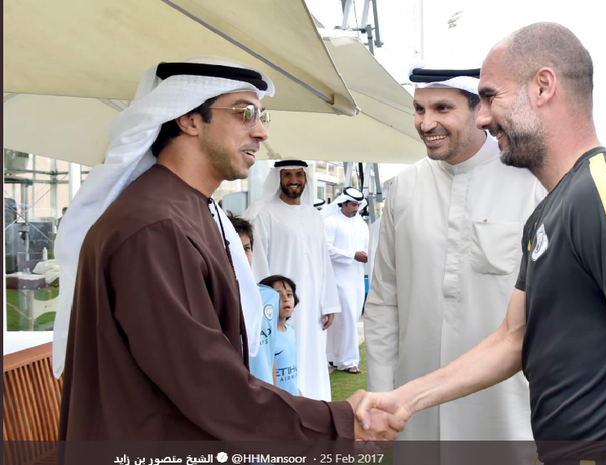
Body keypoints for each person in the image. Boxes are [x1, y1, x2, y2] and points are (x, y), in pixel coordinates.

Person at [356, 23, 606, 462]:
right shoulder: (552, 206)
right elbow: (512, 338)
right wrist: (405, 399)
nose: (482, 117)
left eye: (491, 98)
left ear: (543, 87)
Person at [54, 56, 403, 441]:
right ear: (188, 119)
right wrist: (338, 424)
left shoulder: (190, 209)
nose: (260, 132)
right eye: (245, 113)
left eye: (262, 117)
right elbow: (203, 379)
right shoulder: (157, 226)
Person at [363, 62, 545, 443]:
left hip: (505, 409)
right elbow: (383, 300)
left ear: (481, 111)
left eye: (442, 108)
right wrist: (382, 392)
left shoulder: (530, 183)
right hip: (413, 407)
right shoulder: (405, 188)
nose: (426, 123)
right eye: (419, 109)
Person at [244, 160, 341, 401]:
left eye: (298, 174)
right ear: (278, 178)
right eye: (287, 175)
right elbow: (258, 264)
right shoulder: (264, 214)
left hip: (312, 305)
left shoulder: (314, 215)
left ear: (306, 179)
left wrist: (328, 303)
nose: (293, 180)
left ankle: (317, 403)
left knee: (312, 353)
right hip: (280, 305)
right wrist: (268, 306)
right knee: (285, 356)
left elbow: (324, 262)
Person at [323, 187, 370, 374]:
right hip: (338, 279)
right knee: (347, 318)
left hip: (357, 278)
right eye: (352, 204)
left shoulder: (361, 224)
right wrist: (352, 255)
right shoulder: (330, 222)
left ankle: (334, 357)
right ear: (342, 203)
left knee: (350, 317)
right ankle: (350, 361)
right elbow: (326, 249)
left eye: (358, 204)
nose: (356, 208)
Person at [229, 214, 278, 385]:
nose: (242, 256)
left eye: (246, 248)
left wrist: (276, 393)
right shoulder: (212, 300)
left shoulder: (270, 297)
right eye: (234, 249)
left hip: (267, 395)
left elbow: (269, 354)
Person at [260, 275, 302, 396]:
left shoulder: (290, 331)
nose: (285, 299)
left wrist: (299, 395)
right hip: (278, 403)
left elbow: (291, 372)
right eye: (278, 295)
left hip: (294, 399)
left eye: (289, 294)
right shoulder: (264, 337)